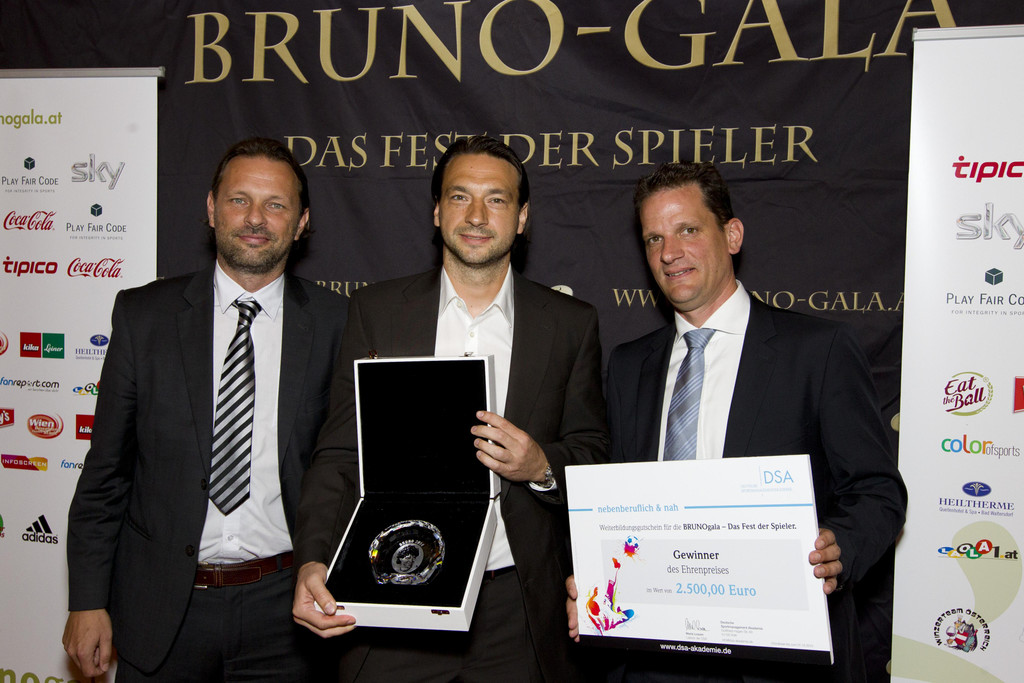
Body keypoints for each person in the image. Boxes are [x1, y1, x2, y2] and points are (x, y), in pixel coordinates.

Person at [566, 162, 906, 682]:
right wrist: (595, 579)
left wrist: (841, 546)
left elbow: (878, 490)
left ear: (732, 235)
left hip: (777, 658)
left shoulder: (818, 351)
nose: (669, 252)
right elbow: (619, 505)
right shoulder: (630, 365)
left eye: (687, 229)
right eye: (654, 238)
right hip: (652, 652)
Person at [292, 135, 609, 682]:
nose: (477, 215)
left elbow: (595, 452)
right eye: (460, 196)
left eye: (497, 199)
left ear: (522, 217)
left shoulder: (570, 324)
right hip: (394, 595)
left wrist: (540, 466)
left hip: (516, 610)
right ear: (437, 211)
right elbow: (342, 452)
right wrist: (314, 557)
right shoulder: (376, 311)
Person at [63, 137, 348, 680]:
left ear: (302, 222)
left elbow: (347, 468)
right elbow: (105, 474)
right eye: (240, 200)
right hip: (161, 610)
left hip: (289, 613)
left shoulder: (340, 321)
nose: (255, 218)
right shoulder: (144, 316)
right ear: (212, 208)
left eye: (276, 204)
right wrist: (87, 600)